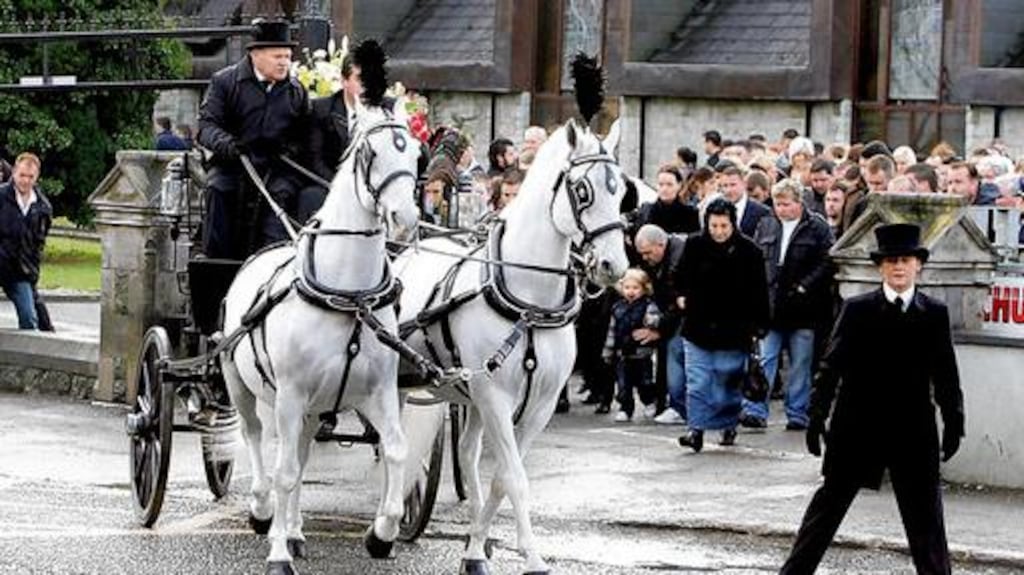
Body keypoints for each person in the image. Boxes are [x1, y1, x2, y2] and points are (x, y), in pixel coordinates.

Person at [781, 223, 965, 574]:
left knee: (926, 520)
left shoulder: (933, 313)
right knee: (826, 510)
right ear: (880, 267)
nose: (899, 267)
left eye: (906, 260)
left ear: (918, 265)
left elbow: (946, 373)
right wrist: (817, 414)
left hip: (913, 429)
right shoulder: (857, 309)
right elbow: (830, 365)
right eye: (892, 260)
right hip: (857, 426)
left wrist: (955, 420)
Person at [196, 19, 309, 259]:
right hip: (233, 163)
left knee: (286, 195)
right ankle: (217, 265)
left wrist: (289, 149)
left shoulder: (296, 91)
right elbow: (206, 126)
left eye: (288, 56)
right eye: (277, 56)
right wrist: (227, 145)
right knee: (218, 189)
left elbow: (305, 135)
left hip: (276, 168)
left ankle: (272, 263)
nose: (284, 63)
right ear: (256, 54)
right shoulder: (225, 82)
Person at [675, 199, 769, 452]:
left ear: (733, 224)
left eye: (724, 226)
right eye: (714, 225)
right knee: (697, 381)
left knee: (727, 382)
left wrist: (759, 326)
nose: (718, 231)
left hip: (735, 328)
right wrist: (680, 296)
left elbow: (760, 291)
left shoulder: (750, 251)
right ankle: (695, 430)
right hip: (698, 325)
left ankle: (728, 425)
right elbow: (679, 276)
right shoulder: (694, 245)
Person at [740, 179, 834, 431]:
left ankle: (797, 412)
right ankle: (755, 409)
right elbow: (757, 258)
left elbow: (827, 261)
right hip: (771, 305)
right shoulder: (767, 224)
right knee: (765, 360)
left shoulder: (817, 227)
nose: (781, 209)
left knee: (800, 363)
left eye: (786, 204)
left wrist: (805, 285)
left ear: (799, 202)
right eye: (778, 204)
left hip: (803, 307)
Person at [634, 224, 687, 421]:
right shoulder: (662, 259)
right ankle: (668, 403)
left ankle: (678, 406)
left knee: (675, 350)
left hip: (685, 313)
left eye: (648, 252)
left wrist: (660, 328)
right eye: (642, 254)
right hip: (675, 312)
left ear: (661, 245)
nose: (645, 258)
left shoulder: (679, 258)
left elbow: (678, 301)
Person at [0, 153, 52, 330]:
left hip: (20, 271)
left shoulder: (43, 207)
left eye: (30, 177)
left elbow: (38, 245)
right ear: (14, 172)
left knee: (29, 317)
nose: (25, 181)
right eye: (22, 175)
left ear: (36, 177)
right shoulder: (1, 197)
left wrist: (32, 274)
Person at [602, 269, 661, 422]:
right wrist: (608, 351)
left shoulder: (648, 305)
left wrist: (652, 323)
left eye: (635, 288)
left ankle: (649, 402)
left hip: (643, 353)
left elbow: (655, 322)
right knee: (623, 384)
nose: (631, 292)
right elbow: (612, 331)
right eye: (627, 288)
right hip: (623, 353)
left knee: (645, 382)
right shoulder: (617, 308)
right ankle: (625, 408)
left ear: (644, 289)